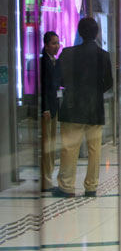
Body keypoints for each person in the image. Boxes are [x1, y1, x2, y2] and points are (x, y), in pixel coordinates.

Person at [53, 18, 113, 198]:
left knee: (69, 148)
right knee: (94, 149)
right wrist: (94, 92)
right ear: (96, 34)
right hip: (94, 108)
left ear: (79, 32)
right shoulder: (103, 55)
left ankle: (66, 187)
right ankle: (91, 187)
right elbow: (109, 82)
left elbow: (59, 79)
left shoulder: (67, 53)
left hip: (72, 107)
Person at [40, 31, 61, 192]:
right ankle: (46, 181)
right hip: (47, 110)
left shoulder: (54, 61)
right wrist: (45, 107)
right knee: (47, 145)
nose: (56, 46)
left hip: (54, 108)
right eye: (53, 43)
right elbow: (43, 87)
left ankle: (49, 178)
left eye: (57, 42)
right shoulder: (44, 62)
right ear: (46, 45)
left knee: (52, 144)